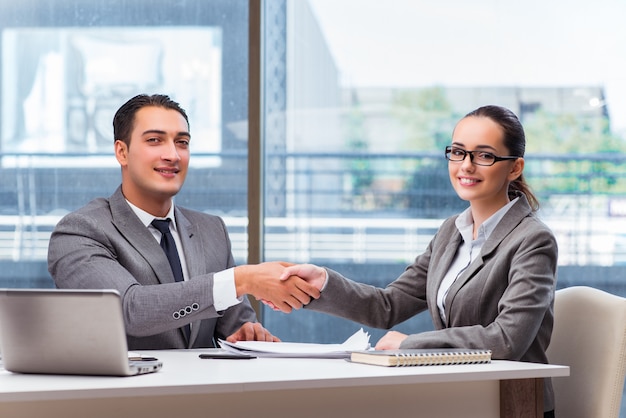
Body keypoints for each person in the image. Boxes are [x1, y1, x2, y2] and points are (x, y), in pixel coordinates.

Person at [279, 105, 557, 417]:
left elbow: (507, 339)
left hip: (510, 402)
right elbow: (388, 306)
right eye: (458, 152)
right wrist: (323, 284)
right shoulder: (451, 232)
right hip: (454, 396)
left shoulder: (532, 240)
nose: (466, 166)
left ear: (514, 167)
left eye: (484, 155)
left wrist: (412, 343)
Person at [48, 93, 319, 350]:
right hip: (123, 396)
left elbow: (234, 326)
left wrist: (247, 335)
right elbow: (129, 310)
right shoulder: (81, 231)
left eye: (182, 142)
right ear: (122, 152)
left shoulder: (211, 231)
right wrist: (242, 279)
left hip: (201, 395)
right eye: (155, 140)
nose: (173, 155)